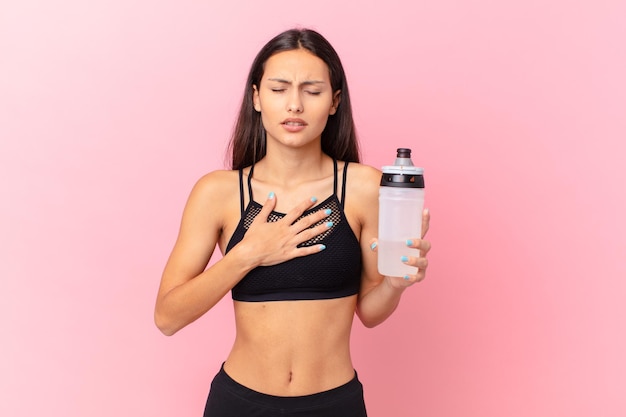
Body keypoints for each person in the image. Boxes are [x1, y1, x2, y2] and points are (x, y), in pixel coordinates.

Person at [154, 28, 431, 417]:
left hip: (335, 403)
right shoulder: (218, 193)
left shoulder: (364, 187)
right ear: (256, 98)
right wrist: (247, 254)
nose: (295, 105)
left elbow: (369, 312)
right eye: (279, 89)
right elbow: (167, 317)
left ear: (334, 102)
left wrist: (395, 283)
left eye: (312, 91)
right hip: (240, 403)